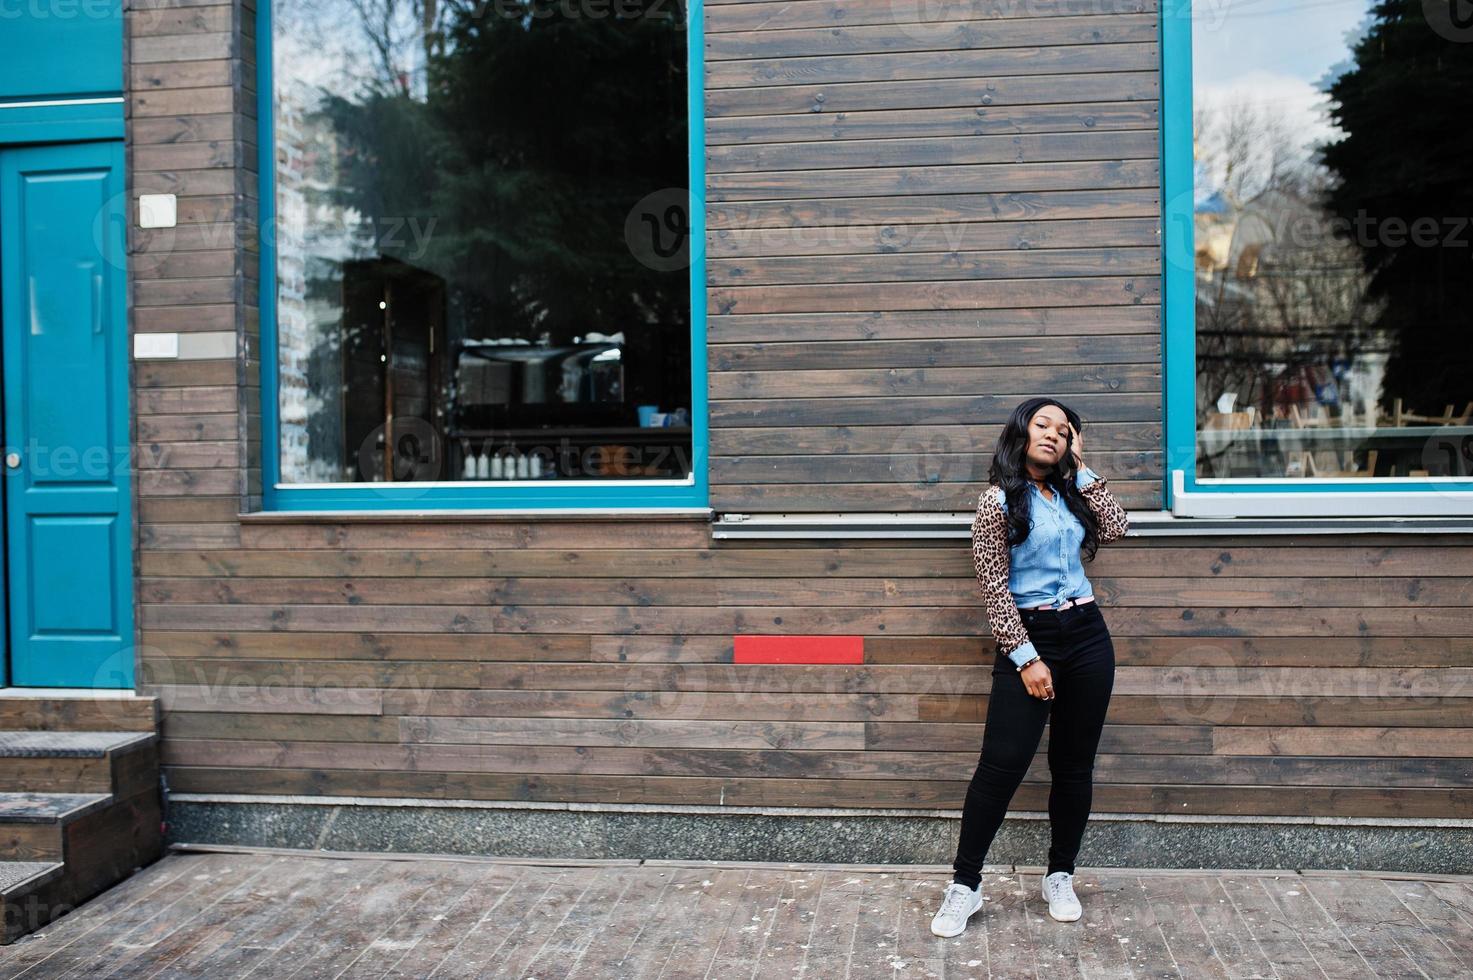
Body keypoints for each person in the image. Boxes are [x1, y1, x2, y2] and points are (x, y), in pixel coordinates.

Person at [931, 397, 1131, 937]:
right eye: (1043, 425)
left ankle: (1060, 874)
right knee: (1001, 766)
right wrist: (1026, 660)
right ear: (1021, 432)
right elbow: (995, 591)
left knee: (1073, 766)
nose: (1053, 435)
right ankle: (964, 886)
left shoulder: (1072, 492)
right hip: (1031, 636)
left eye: (1063, 432)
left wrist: (1083, 468)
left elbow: (1117, 527)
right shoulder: (995, 502)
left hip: (1088, 636)